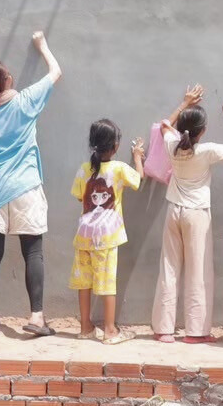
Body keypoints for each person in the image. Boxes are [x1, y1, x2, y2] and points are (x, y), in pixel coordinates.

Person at [0, 30, 62, 337]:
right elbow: (56, 72)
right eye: (7, 74)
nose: (12, 75)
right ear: (3, 81)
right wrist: (43, 46)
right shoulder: (25, 102)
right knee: (32, 252)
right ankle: (36, 318)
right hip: (26, 188)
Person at [153, 84, 223, 344]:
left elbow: (163, 127)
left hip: (174, 210)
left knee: (169, 267)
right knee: (198, 270)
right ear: (202, 131)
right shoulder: (205, 150)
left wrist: (184, 103)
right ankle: (196, 331)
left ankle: (164, 329)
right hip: (197, 214)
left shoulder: (172, 145)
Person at [69, 119, 145, 343]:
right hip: (107, 238)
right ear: (116, 146)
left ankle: (85, 327)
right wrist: (138, 157)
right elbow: (139, 179)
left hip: (83, 236)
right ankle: (110, 330)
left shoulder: (84, 169)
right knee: (107, 282)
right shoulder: (119, 168)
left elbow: (77, 195)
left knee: (84, 282)